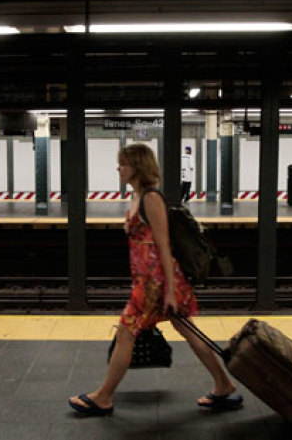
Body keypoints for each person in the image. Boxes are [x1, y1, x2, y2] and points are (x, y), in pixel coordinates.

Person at [68, 143, 241, 416]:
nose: (119, 169)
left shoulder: (151, 198)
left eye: (123, 164)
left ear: (137, 167)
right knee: (186, 329)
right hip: (147, 282)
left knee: (126, 332)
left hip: (158, 285)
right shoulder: (137, 197)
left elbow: (164, 245)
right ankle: (224, 384)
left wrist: (171, 291)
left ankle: (103, 397)